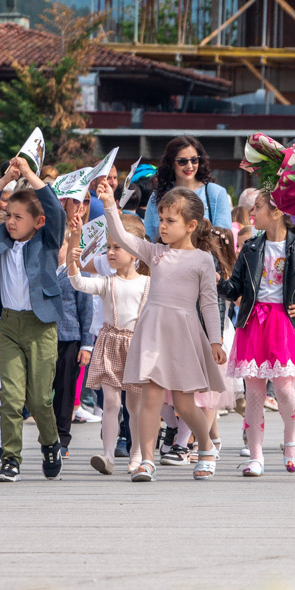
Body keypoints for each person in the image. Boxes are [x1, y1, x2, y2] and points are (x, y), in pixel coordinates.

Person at [98, 184, 228, 483]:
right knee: (150, 399)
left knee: (184, 403)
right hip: (153, 332)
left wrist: (215, 340)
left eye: (171, 220)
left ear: (191, 225)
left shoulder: (202, 259)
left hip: (183, 333)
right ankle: (146, 460)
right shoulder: (154, 252)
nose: (163, 226)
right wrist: (108, 205)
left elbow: (209, 303)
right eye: (161, 219)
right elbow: (122, 236)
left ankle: (206, 448)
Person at [0, 155, 66, 483]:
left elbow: (56, 210)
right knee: (9, 396)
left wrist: (30, 175)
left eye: (18, 217)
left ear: (37, 222)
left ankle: (50, 443)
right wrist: (6, 179)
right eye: (8, 215)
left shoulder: (47, 240)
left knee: (39, 399)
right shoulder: (0, 238)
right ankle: (10, 459)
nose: (10, 221)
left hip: (40, 326)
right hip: (8, 325)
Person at [218, 189, 295, 477]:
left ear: (276, 212)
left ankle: (292, 439)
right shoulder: (251, 248)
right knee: (255, 394)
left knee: (284, 389)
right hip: (253, 322)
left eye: (258, 207)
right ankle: (256, 456)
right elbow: (235, 287)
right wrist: (219, 280)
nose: (252, 212)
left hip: (284, 322)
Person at [68, 214, 152, 476]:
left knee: (135, 406)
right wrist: (73, 253)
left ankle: (136, 453)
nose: (111, 252)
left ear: (135, 251)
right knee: (111, 403)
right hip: (109, 344)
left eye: (118, 247)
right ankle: (108, 455)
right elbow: (79, 282)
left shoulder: (148, 283)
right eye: (108, 247)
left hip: (137, 346)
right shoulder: (107, 282)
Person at [51, 222, 94, 461]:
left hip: (70, 338)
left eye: (62, 245)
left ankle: (62, 438)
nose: (57, 249)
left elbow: (86, 311)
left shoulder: (78, 273)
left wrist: (86, 345)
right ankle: (48, 434)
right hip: (45, 338)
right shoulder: (42, 270)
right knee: (42, 390)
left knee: (66, 390)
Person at [144, 135, 232, 237]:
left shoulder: (216, 193)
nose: (189, 166)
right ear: (171, 163)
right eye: (182, 161)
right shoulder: (158, 195)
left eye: (194, 160)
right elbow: (148, 237)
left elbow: (223, 238)